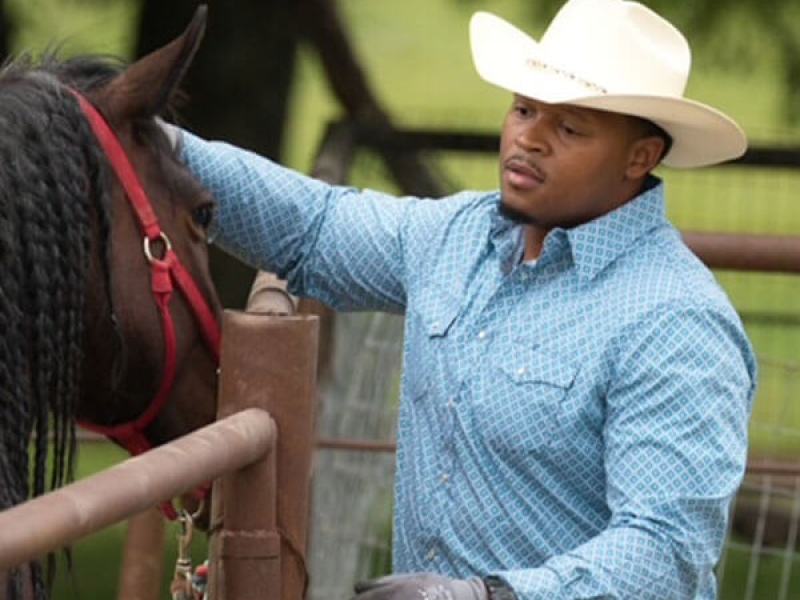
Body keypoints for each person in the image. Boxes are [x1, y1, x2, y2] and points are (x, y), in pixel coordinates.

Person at [172, 0, 757, 597]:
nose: (529, 138)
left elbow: (666, 551)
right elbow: (314, 226)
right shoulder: (460, 236)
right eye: (524, 109)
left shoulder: (676, 320)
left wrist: (482, 595)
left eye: (569, 128)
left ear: (640, 157)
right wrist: (150, 146)